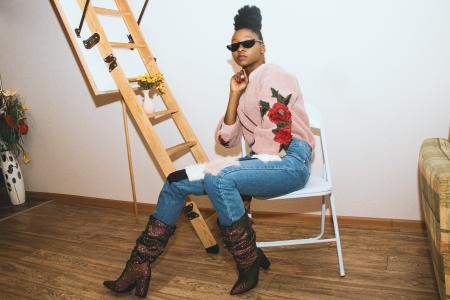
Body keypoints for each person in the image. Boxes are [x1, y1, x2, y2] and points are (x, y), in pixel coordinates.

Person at [103, 5, 315, 298]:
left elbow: (275, 132)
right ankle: (139, 264)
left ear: (262, 47)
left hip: (289, 160)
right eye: (234, 45)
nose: (239, 49)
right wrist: (233, 95)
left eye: (247, 43)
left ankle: (248, 262)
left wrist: (241, 165)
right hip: (260, 161)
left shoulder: (276, 74)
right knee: (176, 181)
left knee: (222, 177)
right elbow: (226, 138)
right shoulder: (243, 86)